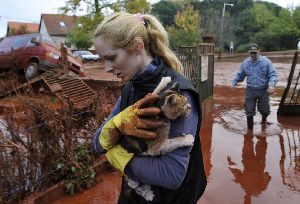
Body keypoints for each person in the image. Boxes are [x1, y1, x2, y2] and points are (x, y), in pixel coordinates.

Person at [92, 12, 207, 204]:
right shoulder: (131, 86)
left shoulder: (179, 94)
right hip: (134, 196)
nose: (107, 68)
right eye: (103, 59)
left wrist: (116, 155)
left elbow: (171, 174)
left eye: (111, 57)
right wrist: (117, 125)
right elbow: (97, 143)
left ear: (138, 46)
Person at [231, 43, 278, 129]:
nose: (253, 54)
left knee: (265, 110)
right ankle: (249, 132)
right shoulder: (245, 63)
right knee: (249, 111)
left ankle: (264, 119)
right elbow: (240, 74)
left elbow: (273, 74)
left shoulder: (266, 62)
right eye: (251, 53)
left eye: (255, 52)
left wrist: (272, 85)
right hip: (250, 90)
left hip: (263, 90)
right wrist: (235, 81)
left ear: (259, 52)